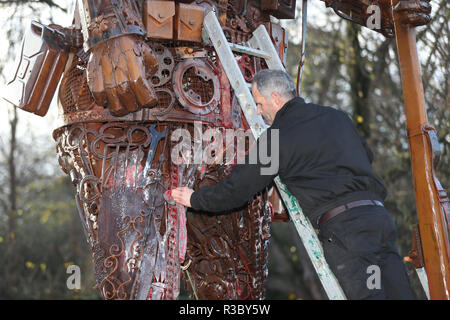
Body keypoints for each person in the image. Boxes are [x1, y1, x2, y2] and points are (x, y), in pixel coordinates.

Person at [170, 69, 416, 300]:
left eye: (259, 103)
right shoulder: (338, 117)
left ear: (275, 98)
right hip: (379, 218)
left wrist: (194, 198)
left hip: (347, 231)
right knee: (400, 292)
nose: (257, 111)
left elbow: (238, 190)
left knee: (370, 295)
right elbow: (366, 156)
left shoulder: (276, 138)